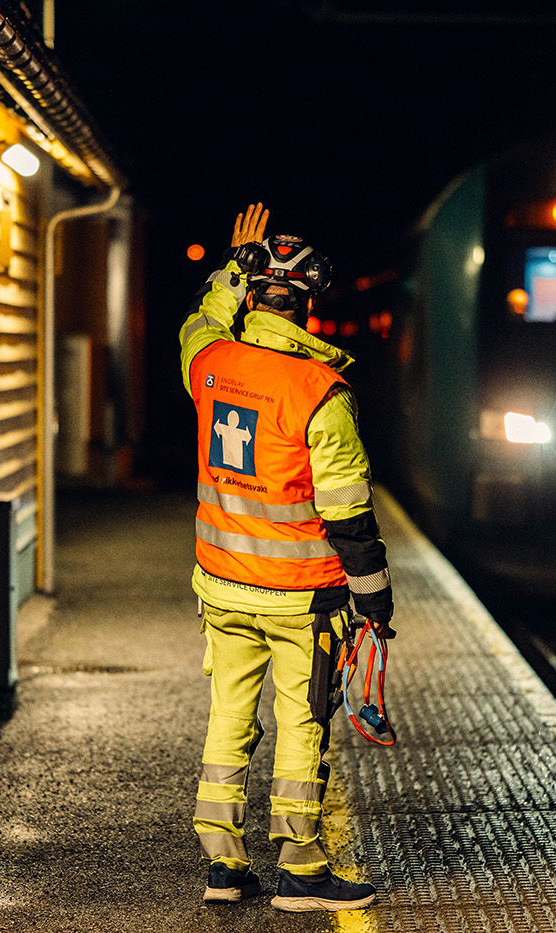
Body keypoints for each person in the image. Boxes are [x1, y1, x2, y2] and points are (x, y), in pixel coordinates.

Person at [178, 203, 395, 912]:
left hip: (223, 583)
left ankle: (222, 866)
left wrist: (229, 268)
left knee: (228, 715)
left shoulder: (209, 364)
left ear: (255, 294)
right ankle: (300, 867)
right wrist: (376, 603)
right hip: (302, 595)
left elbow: (200, 322)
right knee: (303, 721)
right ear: (306, 308)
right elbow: (349, 516)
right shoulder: (320, 394)